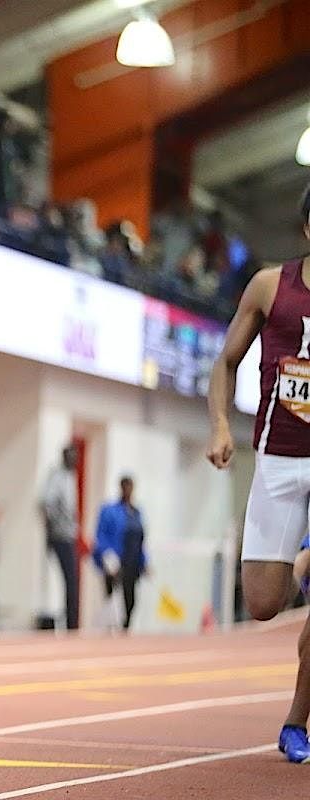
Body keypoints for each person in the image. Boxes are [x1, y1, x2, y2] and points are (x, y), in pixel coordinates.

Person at [206, 182, 310, 764]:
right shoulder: (272, 287)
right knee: (264, 603)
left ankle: (296, 721)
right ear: (308, 228)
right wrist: (220, 426)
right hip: (277, 458)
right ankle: (302, 563)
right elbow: (225, 363)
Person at [93, 475, 148, 630]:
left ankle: (125, 628)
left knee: (130, 600)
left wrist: (144, 562)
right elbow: (101, 535)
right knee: (112, 599)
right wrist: (107, 556)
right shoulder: (109, 511)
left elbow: (141, 541)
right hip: (115, 561)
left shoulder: (137, 513)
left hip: (132, 562)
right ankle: (110, 629)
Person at [40, 444, 80, 630]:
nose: (75, 460)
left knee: (72, 580)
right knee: (70, 579)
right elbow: (46, 504)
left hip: (69, 535)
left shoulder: (71, 477)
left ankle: (72, 621)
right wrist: (52, 530)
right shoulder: (57, 476)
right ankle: (71, 624)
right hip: (60, 535)